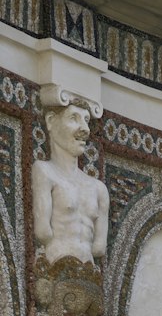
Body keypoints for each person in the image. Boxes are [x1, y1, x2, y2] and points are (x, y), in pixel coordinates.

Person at [31, 101, 109, 266]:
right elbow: (42, 232)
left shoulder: (99, 189)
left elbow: (100, 248)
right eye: (74, 118)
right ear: (51, 121)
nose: (85, 129)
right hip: (56, 265)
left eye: (87, 120)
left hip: (88, 275)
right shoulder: (44, 171)